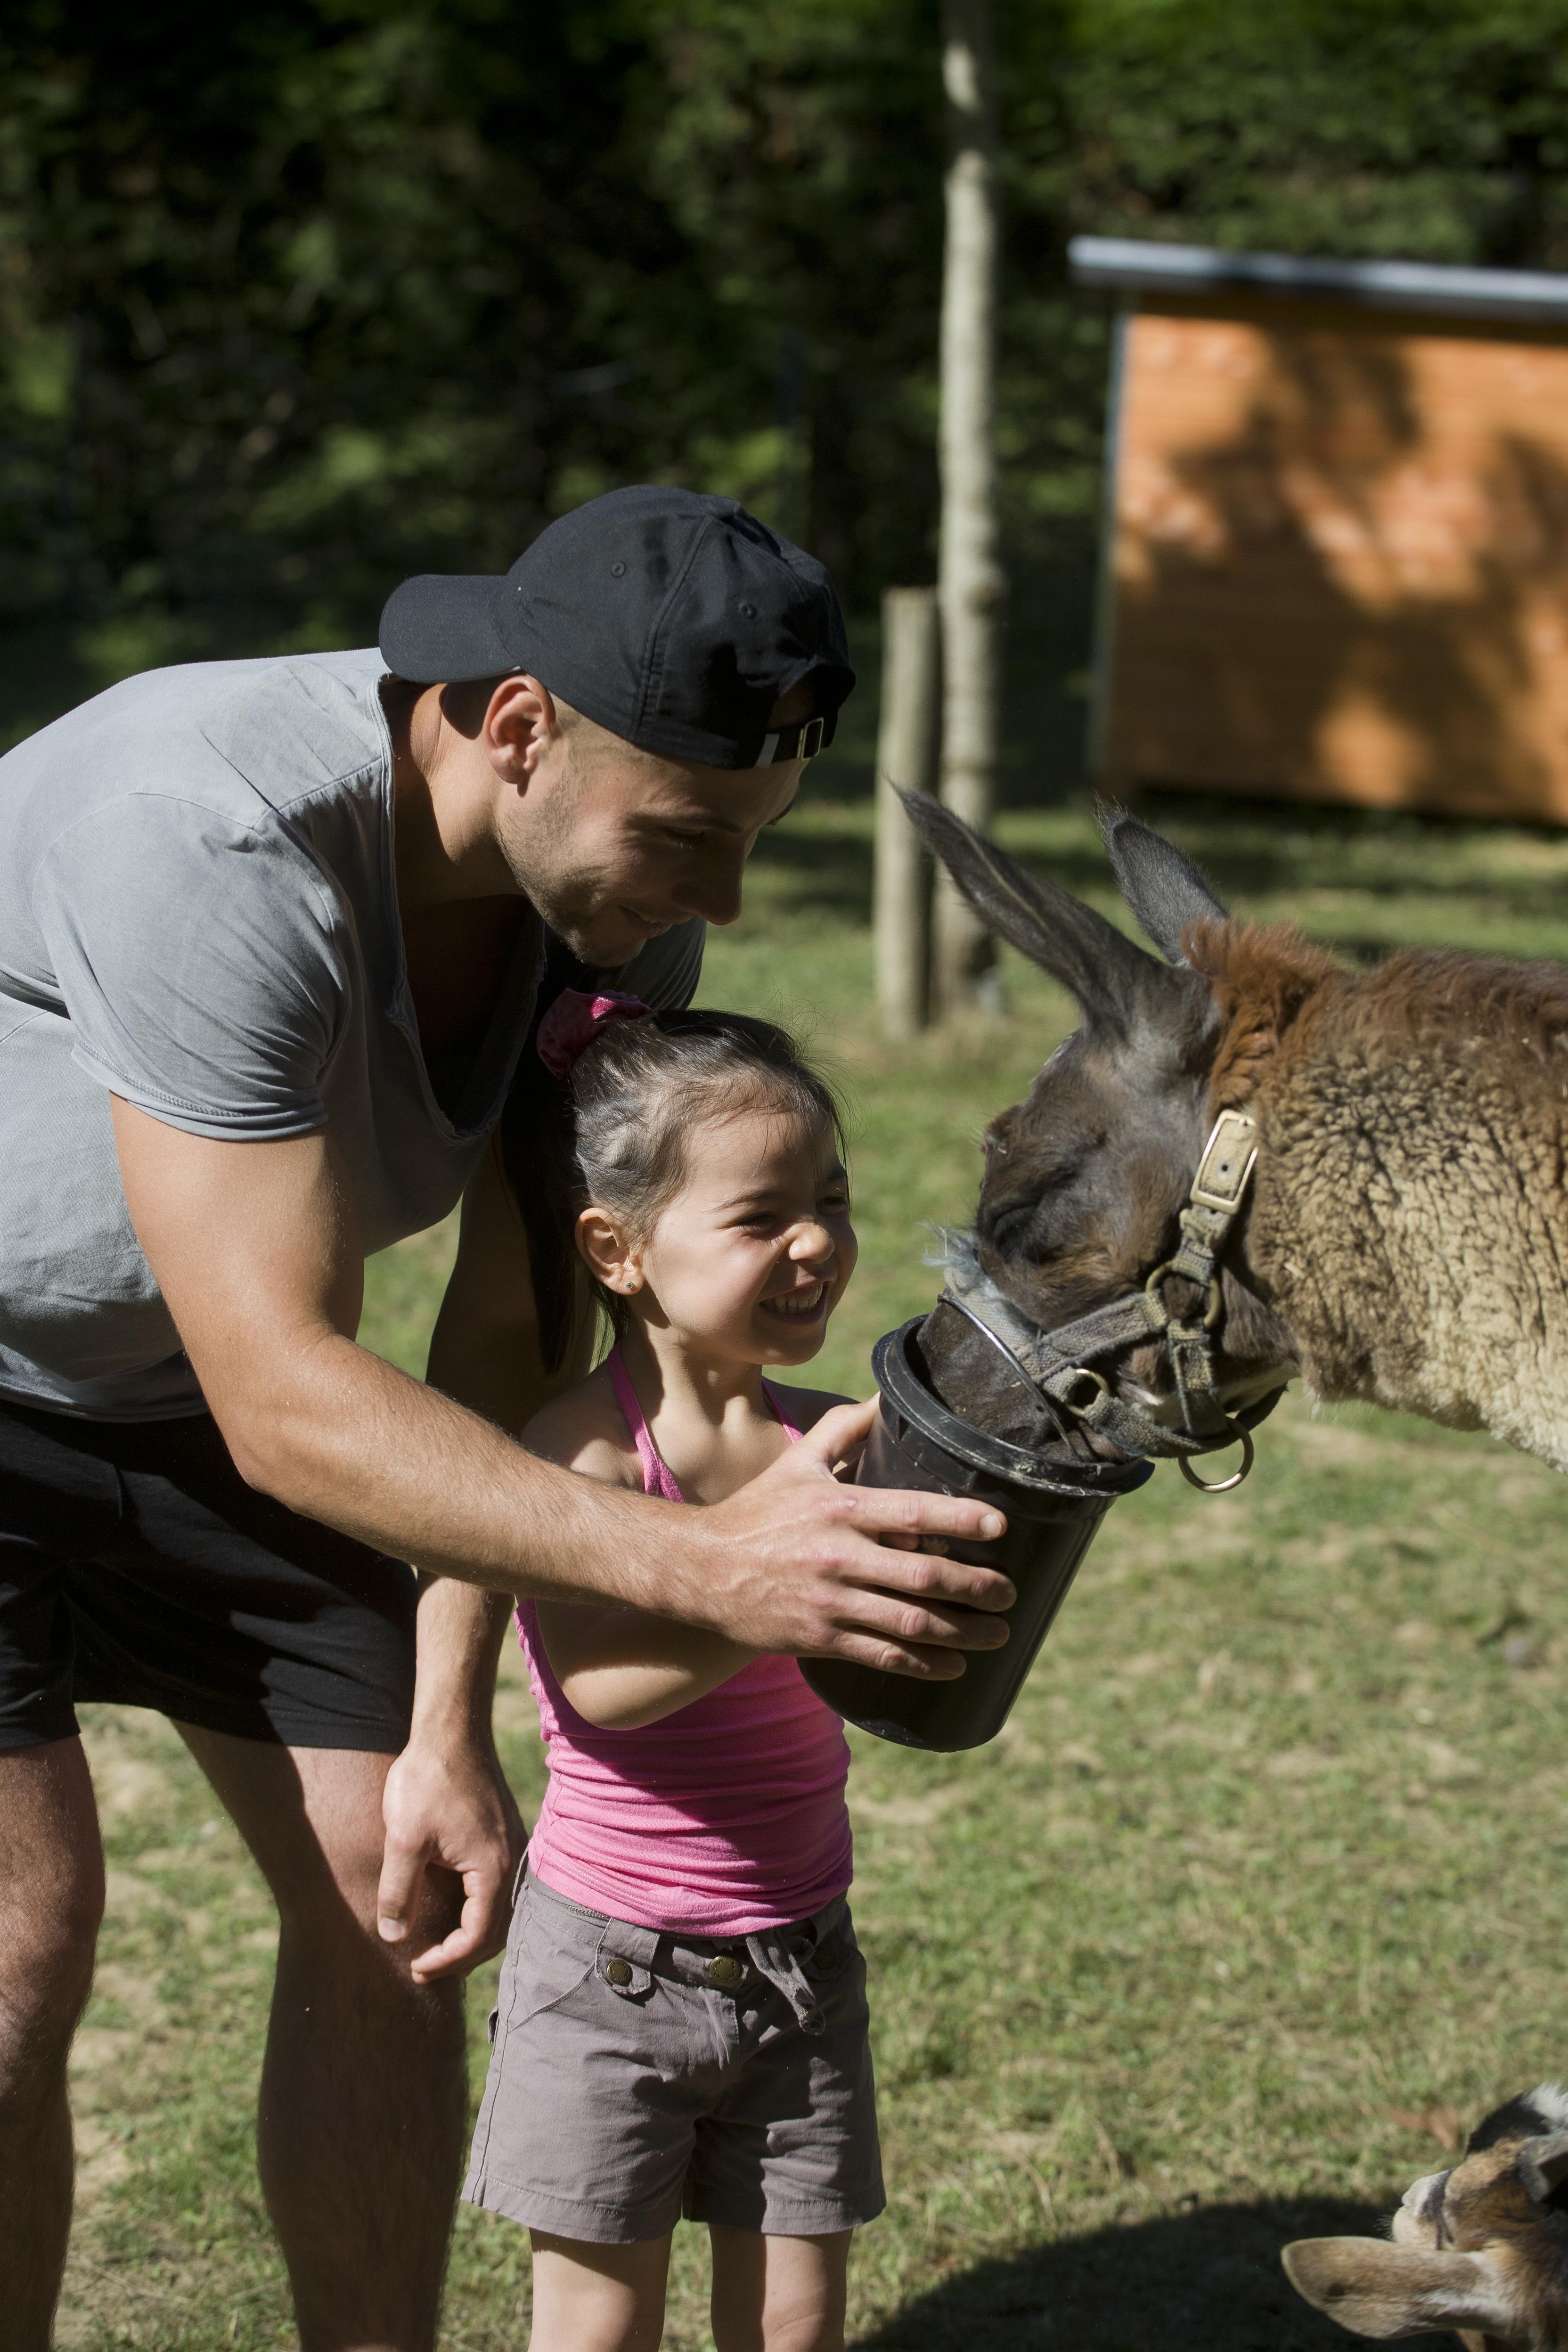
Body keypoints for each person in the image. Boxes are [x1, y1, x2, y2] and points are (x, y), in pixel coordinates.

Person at [0, 484, 1013, 2352]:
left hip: (208, 1390)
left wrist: (452, 1720)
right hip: (79, 1386)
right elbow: (291, 1397)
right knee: (21, 1941)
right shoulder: (207, 829)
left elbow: (511, 1337)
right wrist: (717, 1565)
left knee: (399, 1899)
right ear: (520, 724)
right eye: (687, 837)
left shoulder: (595, 906)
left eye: (746, 844)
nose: (714, 902)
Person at [467, 994, 880, 2352]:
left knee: (798, 2332)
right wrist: (777, 1584)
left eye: (829, 1198)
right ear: (619, 1249)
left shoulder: (830, 1443)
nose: (818, 1239)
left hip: (803, 1962)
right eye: (763, 1218)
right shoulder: (579, 1455)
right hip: (612, 1979)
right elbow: (600, 1687)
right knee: (597, 2334)